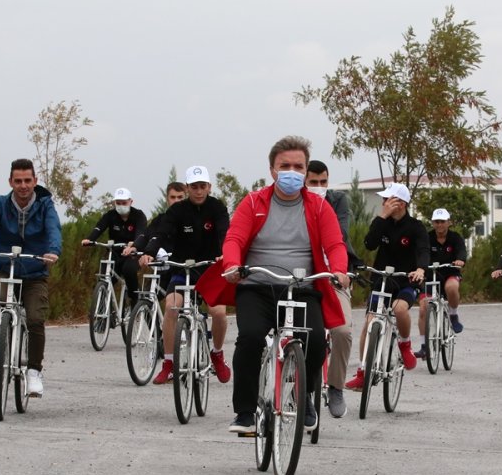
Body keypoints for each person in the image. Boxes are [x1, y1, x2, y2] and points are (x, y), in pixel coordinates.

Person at [196, 136, 347, 434]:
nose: (292, 171)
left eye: (298, 166)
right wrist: (232, 266)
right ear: (272, 169)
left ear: (305, 170)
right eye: (285, 165)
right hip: (257, 286)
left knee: (316, 341)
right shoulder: (254, 202)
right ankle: (244, 413)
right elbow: (235, 239)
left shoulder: (318, 206)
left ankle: (302, 394)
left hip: (302, 287)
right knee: (250, 338)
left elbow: (335, 243)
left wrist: (339, 270)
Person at [0, 159, 61, 397]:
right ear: (10, 182)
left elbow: (53, 229)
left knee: (36, 319)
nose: (23, 186)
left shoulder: (45, 205)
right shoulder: (1, 204)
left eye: (28, 180)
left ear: (35, 181)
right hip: (6, 269)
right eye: (18, 181)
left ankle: (34, 372)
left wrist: (53, 251)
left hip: (35, 272)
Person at [139, 166, 231, 385]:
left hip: (210, 268)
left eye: (202, 186)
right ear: (188, 187)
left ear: (209, 187)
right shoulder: (177, 210)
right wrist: (149, 253)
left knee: (218, 312)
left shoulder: (217, 207)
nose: (198, 191)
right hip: (183, 268)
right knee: (171, 306)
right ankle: (169, 364)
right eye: (194, 187)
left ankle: (217, 354)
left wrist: (225, 254)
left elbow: (224, 233)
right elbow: (160, 233)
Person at [344, 182, 429, 389]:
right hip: (381, 281)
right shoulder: (382, 222)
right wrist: (381, 217)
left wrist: (420, 269)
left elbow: (423, 250)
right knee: (369, 322)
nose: (383, 203)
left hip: (406, 280)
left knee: (400, 309)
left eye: (387, 199)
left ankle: (405, 344)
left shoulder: (416, 227)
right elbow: (369, 243)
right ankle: (363, 372)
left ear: (401, 203)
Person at [303, 159, 359, 418]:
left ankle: (335, 387)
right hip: (302, 278)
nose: (318, 187)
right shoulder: (291, 201)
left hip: (333, 275)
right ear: (304, 181)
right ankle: (297, 386)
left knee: (342, 331)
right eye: (313, 182)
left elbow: (339, 235)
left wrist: (339, 271)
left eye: (322, 182)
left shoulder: (337, 201)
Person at [81, 187, 147, 305]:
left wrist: (134, 245)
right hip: (115, 252)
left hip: (132, 253)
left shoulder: (138, 215)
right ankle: (104, 306)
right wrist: (90, 239)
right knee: (104, 275)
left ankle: (134, 299)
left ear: (131, 202)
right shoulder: (110, 215)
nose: (121, 205)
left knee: (129, 271)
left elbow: (141, 233)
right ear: (114, 203)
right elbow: (99, 227)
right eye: (118, 203)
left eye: (124, 203)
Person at [415, 208, 465, 359]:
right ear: (432, 223)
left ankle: (453, 315)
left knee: (451, 287)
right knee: (423, 308)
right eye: (437, 222)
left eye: (443, 221)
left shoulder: (455, 238)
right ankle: (424, 346)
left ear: (448, 223)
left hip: (450, 274)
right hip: (430, 277)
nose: (440, 225)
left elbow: (462, 252)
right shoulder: (426, 238)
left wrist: (460, 260)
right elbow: (419, 253)